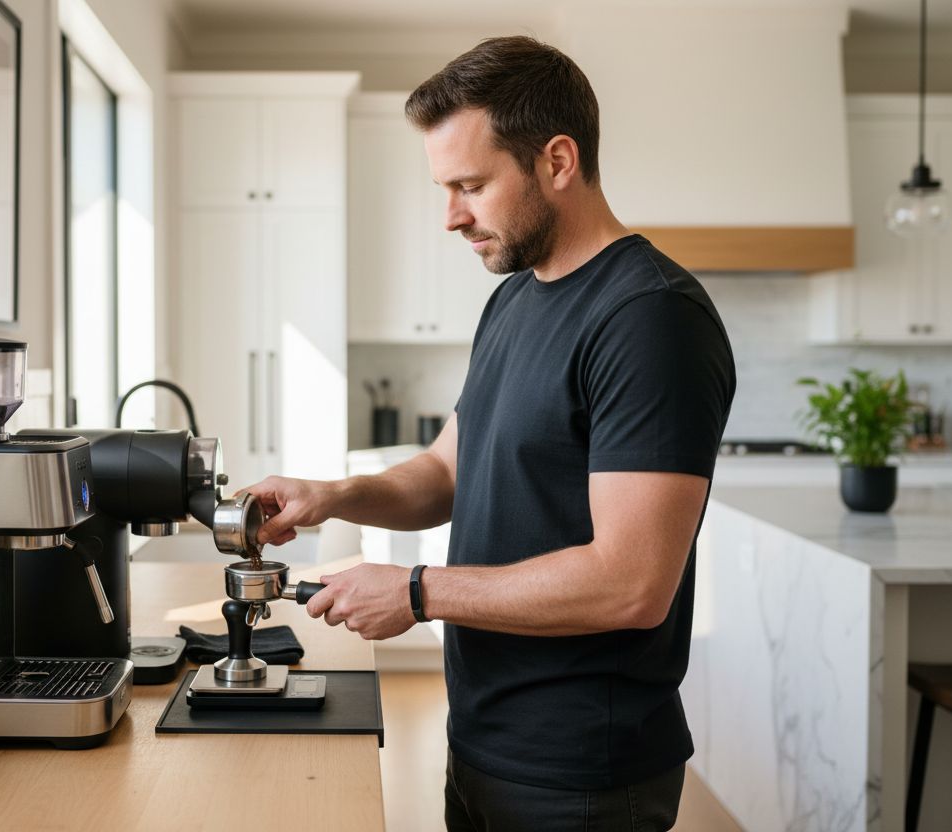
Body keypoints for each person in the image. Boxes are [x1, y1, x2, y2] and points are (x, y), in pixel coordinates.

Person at [243, 35, 735, 832]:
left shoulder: (649, 319)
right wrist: (331, 496)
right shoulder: (516, 297)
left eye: (470, 185)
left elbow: (633, 582)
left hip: (581, 773)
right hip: (484, 738)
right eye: (445, 188)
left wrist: (415, 591)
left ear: (558, 161)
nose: (451, 216)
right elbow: (447, 470)